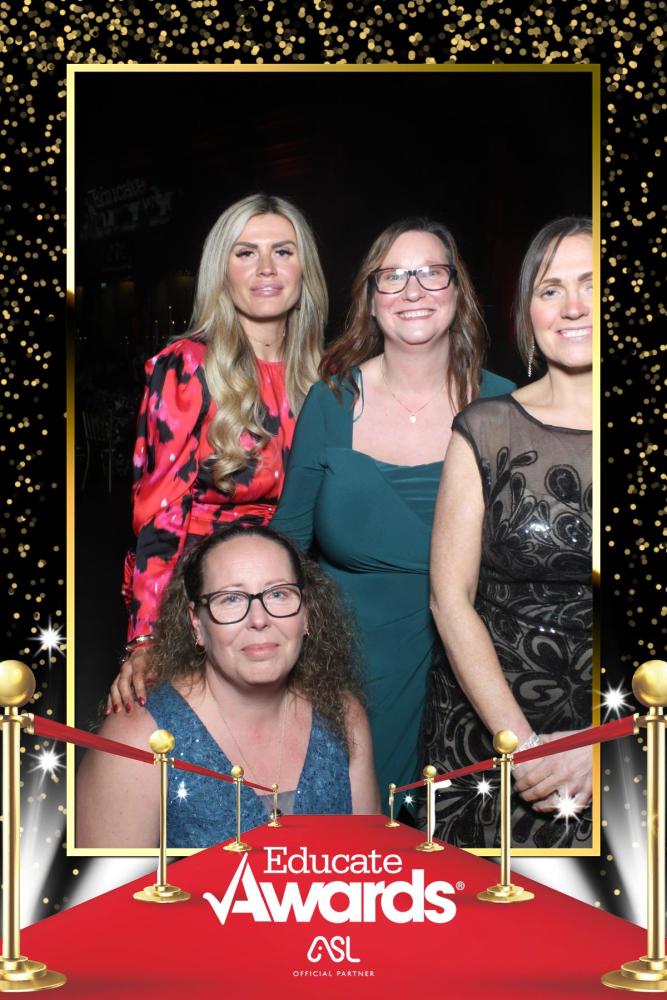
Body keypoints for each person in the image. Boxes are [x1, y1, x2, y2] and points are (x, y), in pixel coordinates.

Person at [271, 217, 515, 802]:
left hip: (474, 673)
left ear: (458, 292)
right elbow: (285, 548)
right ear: (371, 298)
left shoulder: (507, 405)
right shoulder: (330, 402)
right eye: (394, 276)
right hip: (348, 671)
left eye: (431, 273)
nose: (412, 290)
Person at [108, 193, 328, 714]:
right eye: (246, 252)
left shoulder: (328, 374)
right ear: (221, 270)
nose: (266, 268)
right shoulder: (186, 366)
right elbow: (160, 514)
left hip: (295, 604)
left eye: (283, 251)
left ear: (304, 270)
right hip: (209, 606)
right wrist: (145, 639)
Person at [424, 216, 593, 849]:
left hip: (631, 729)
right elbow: (449, 599)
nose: (572, 306)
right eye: (551, 289)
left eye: (593, 285)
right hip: (491, 736)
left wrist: (608, 746)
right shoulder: (487, 427)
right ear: (528, 310)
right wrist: (520, 749)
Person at [77, 525, 379, 848]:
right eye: (231, 599)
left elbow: (375, 864)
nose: (259, 619)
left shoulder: (343, 715)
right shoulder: (137, 741)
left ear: (306, 613)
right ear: (196, 623)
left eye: (278, 594)